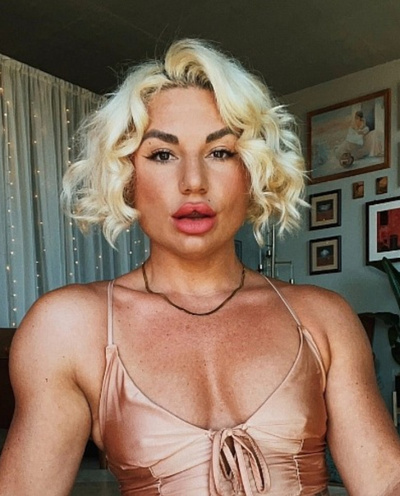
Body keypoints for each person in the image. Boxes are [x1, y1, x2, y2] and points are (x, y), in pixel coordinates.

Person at [0, 39, 400, 496]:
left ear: (252, 173)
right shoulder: (68, 327)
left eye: (220, 152)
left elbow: (385, 481)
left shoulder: (324, 318)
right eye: (162, 154)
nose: (193, 182)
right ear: (128, 178)